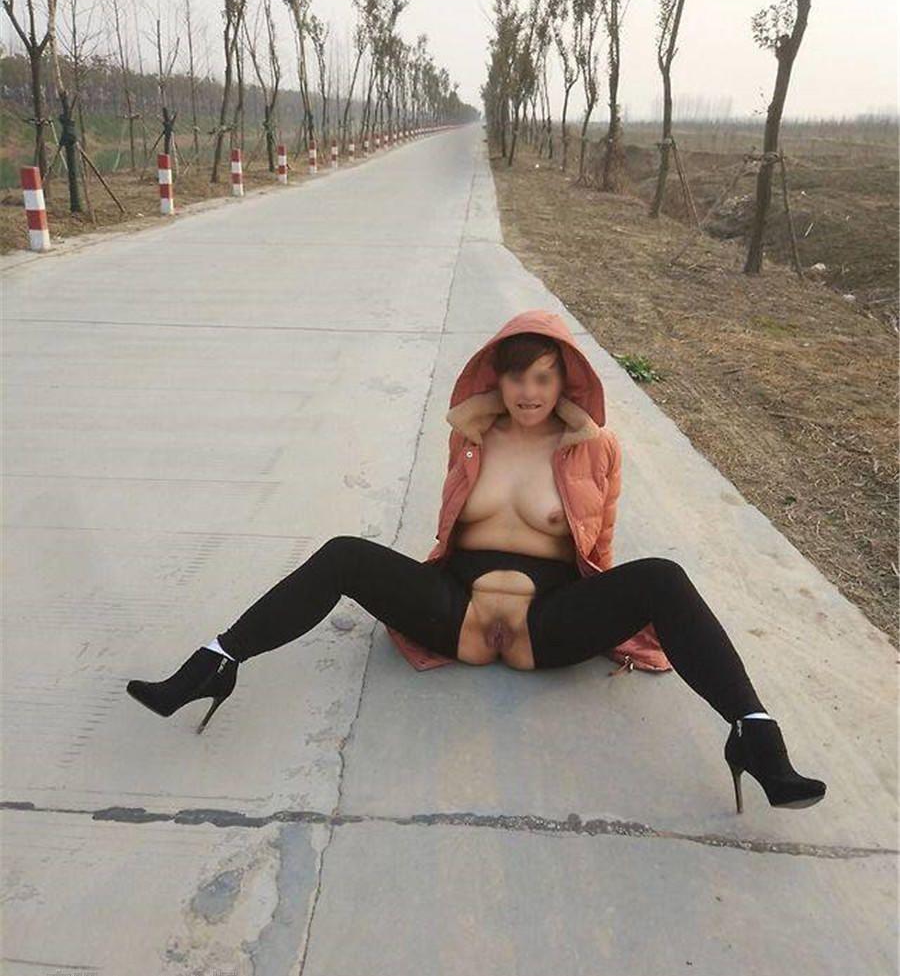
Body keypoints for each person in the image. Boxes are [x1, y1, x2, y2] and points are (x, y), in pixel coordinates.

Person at [127, 309, 826, 814]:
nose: (529, 393)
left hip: (545, 627)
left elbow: (601, 543)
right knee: (344, 554)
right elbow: (456, 485)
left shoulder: (595, 447)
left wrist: (612, 613)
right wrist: (486, 407)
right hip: (455, 612)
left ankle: (756, 736)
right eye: (516, 377)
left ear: (566, 381)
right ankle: (216, 662)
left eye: (544, 378)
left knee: (663, 578)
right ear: (499, 380)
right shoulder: (472, 438)